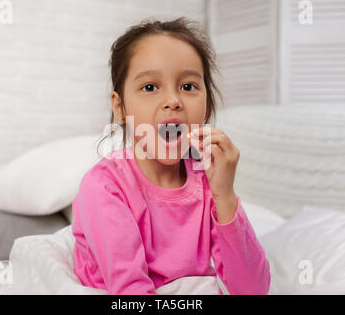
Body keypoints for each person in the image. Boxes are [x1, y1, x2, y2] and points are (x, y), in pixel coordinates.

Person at [72, 17, 271, 295]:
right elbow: (131, 293)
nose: (173, 100)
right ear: (119, 107)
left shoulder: (207, 185)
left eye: (188, 87)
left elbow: (253, 289)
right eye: (150, 87)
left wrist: (224, 195)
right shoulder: (104, 187)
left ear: (206, 106)